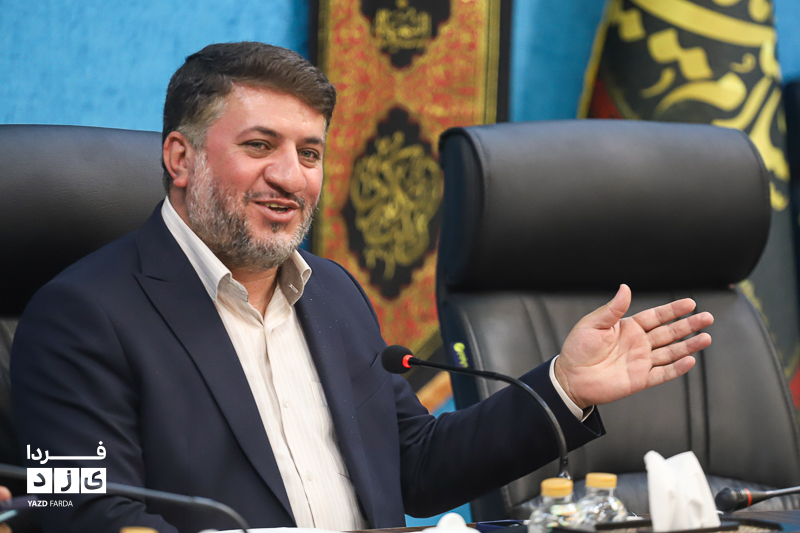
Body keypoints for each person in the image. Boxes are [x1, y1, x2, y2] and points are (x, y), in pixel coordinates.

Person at [10, 42, 713, 533]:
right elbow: (85, 517)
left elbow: (417, 467)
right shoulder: (79, 316)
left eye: (309, 152)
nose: (291, 177)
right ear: (180, 158)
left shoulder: (333, 293)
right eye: (259, 145)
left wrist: (564, 386)